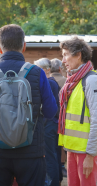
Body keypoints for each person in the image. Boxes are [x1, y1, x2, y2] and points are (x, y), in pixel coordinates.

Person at [0, 24, 58, 186]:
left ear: (0, 48)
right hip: (31, 152)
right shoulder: (37, 72)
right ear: (24, 46)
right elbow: (50, 111)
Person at [58, 36, 97, 186]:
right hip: (72, 149)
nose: (63, 60)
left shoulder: (91, 80)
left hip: (86, 152)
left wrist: (90, 156)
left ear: (78, 55)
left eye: (66, 55)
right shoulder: (72, 81)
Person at [34, 58, 60, 186]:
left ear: (47, 69)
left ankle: (53, 183)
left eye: (38, 67)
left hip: (48, 123)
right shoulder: (53, 82)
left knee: (49, 157)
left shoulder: (49, 82)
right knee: (52, 155)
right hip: (52, 123)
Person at [50, 58, 68, 178]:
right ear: (60, 69)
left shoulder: (46, 81)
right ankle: (61, 169)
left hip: (50, 121)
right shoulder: (66, 81)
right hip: (63, 120)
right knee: (60, 147)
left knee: (52, 151)